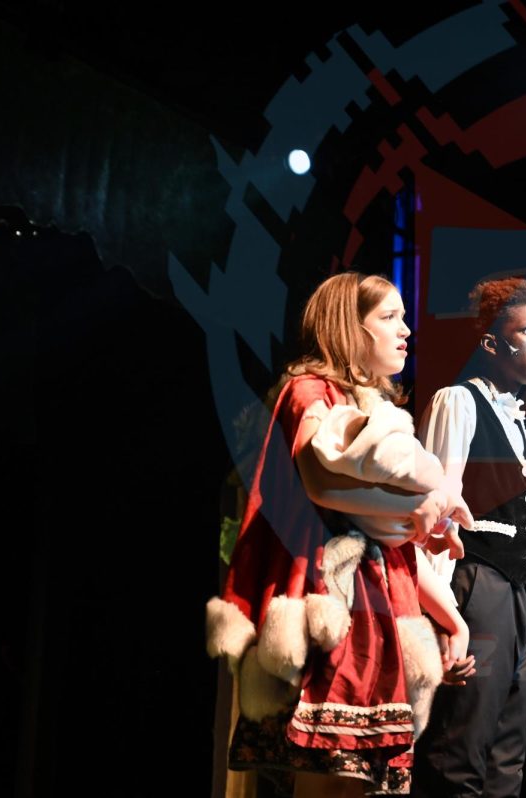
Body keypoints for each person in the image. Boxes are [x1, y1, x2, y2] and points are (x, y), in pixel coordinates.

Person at [205, 271, 473, 797]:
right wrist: (429, 500)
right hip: (333, 620)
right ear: (350, 328)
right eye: (389, 317)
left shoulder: (377, 417)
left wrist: (452, 618)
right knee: (331, 785)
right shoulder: (311, 394)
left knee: (366, 786)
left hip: (378, 626)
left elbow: (393, 548)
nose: (406, 331)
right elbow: (323, 479)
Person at [411, 277, 526, 798]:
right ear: (492, 344)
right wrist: (437, 620)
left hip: (522, 601)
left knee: (509, 760)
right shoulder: (458, 403)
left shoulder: (523, 429)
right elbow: (436, 513)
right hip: (477, 588)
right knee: (463, 745)